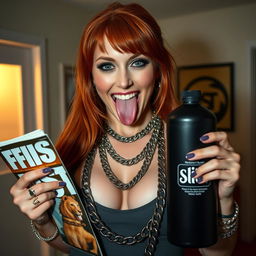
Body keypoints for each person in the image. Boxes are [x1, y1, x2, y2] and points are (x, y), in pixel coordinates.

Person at [10, 2, 240, 256]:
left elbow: (216, 253)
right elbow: (73, 245)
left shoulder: (187, 147)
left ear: (158, 69)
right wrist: (42, 221)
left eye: (138, 63)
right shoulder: (73, 149)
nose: (123, 81)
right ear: (90, 76)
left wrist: (224, 199)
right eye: (107, 66)